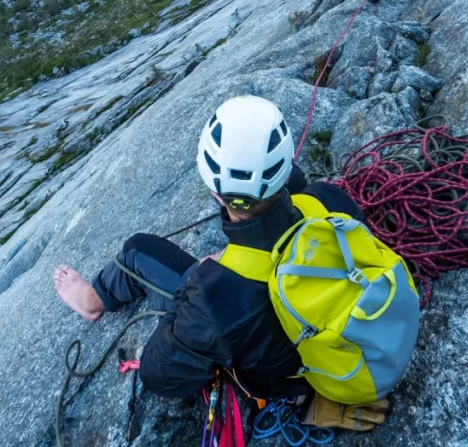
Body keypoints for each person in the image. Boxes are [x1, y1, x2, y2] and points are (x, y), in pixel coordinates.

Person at [53, 95, 389, 431]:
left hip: (288, 376)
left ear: (215, 191)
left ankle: (92, 302)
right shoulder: (328, 200)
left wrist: (195, 285)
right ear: (285, 167)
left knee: (138, 250)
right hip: (354, 344)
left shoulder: (212, 298)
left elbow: (158, 375)